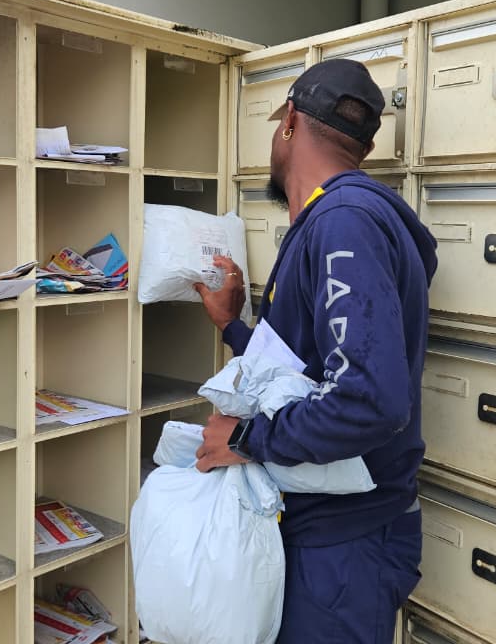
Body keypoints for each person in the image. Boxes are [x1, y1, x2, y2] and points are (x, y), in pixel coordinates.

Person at [193, 58, 439, 643]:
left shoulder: (344, 224)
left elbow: (367, 400)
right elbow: (308, 371)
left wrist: (246, 440)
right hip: (325, 535)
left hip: (344, 546)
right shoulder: (337, 220)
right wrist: (232, 326)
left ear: (289, 123)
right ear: (364, 147)